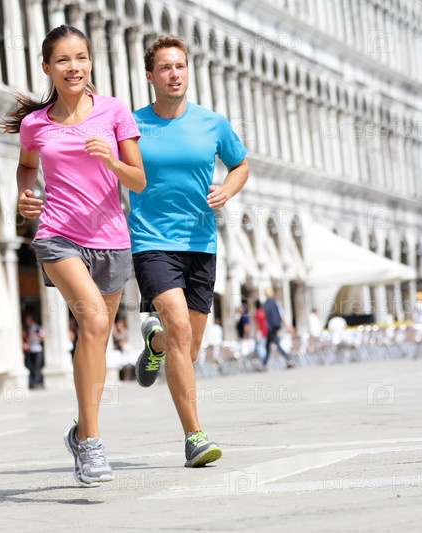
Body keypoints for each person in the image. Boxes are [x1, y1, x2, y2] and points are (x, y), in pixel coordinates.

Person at [0, 25, 146, 487]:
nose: (74, 67)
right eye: (63, 60)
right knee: (96, 324)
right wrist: (25, 197)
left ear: (90, 63)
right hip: (58, 236)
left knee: (95, 343)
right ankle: (94, 443)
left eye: (81, 57)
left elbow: (138, 180)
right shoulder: (35, 124)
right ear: (47, 68)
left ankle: (80, 433)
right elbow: (26, 168)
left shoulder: (114, 112)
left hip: (112, 239)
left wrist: (111, 161)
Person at [128, 35, 248, 467]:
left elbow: (240, 164)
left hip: (201, 243)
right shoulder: (132, 124)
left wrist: (227, 191)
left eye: (179, 66)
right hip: (151, 241)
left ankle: (153, 343)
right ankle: (194, 436)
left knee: (188, 348)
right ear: (150, 76)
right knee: (180, 326)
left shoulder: (212, 123)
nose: (174, 74)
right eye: (165, 67)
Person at [262, 287, 295, 368]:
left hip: (269, 328)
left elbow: (265, 318)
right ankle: (288, 360)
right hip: (275, 326)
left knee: (272, 345)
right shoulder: (275, 302)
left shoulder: (265, 304)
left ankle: (265, 364)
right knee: (270, 345)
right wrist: (287, 325)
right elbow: (281, 314)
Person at [23, 314, 45, 389]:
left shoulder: (38, 328)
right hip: (31, 350)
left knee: (37, 366)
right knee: (31, 366)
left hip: (38, 349)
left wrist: (35, 335)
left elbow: (43, 338)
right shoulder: (29, 329)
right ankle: (33, 381)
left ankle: (37, 382)